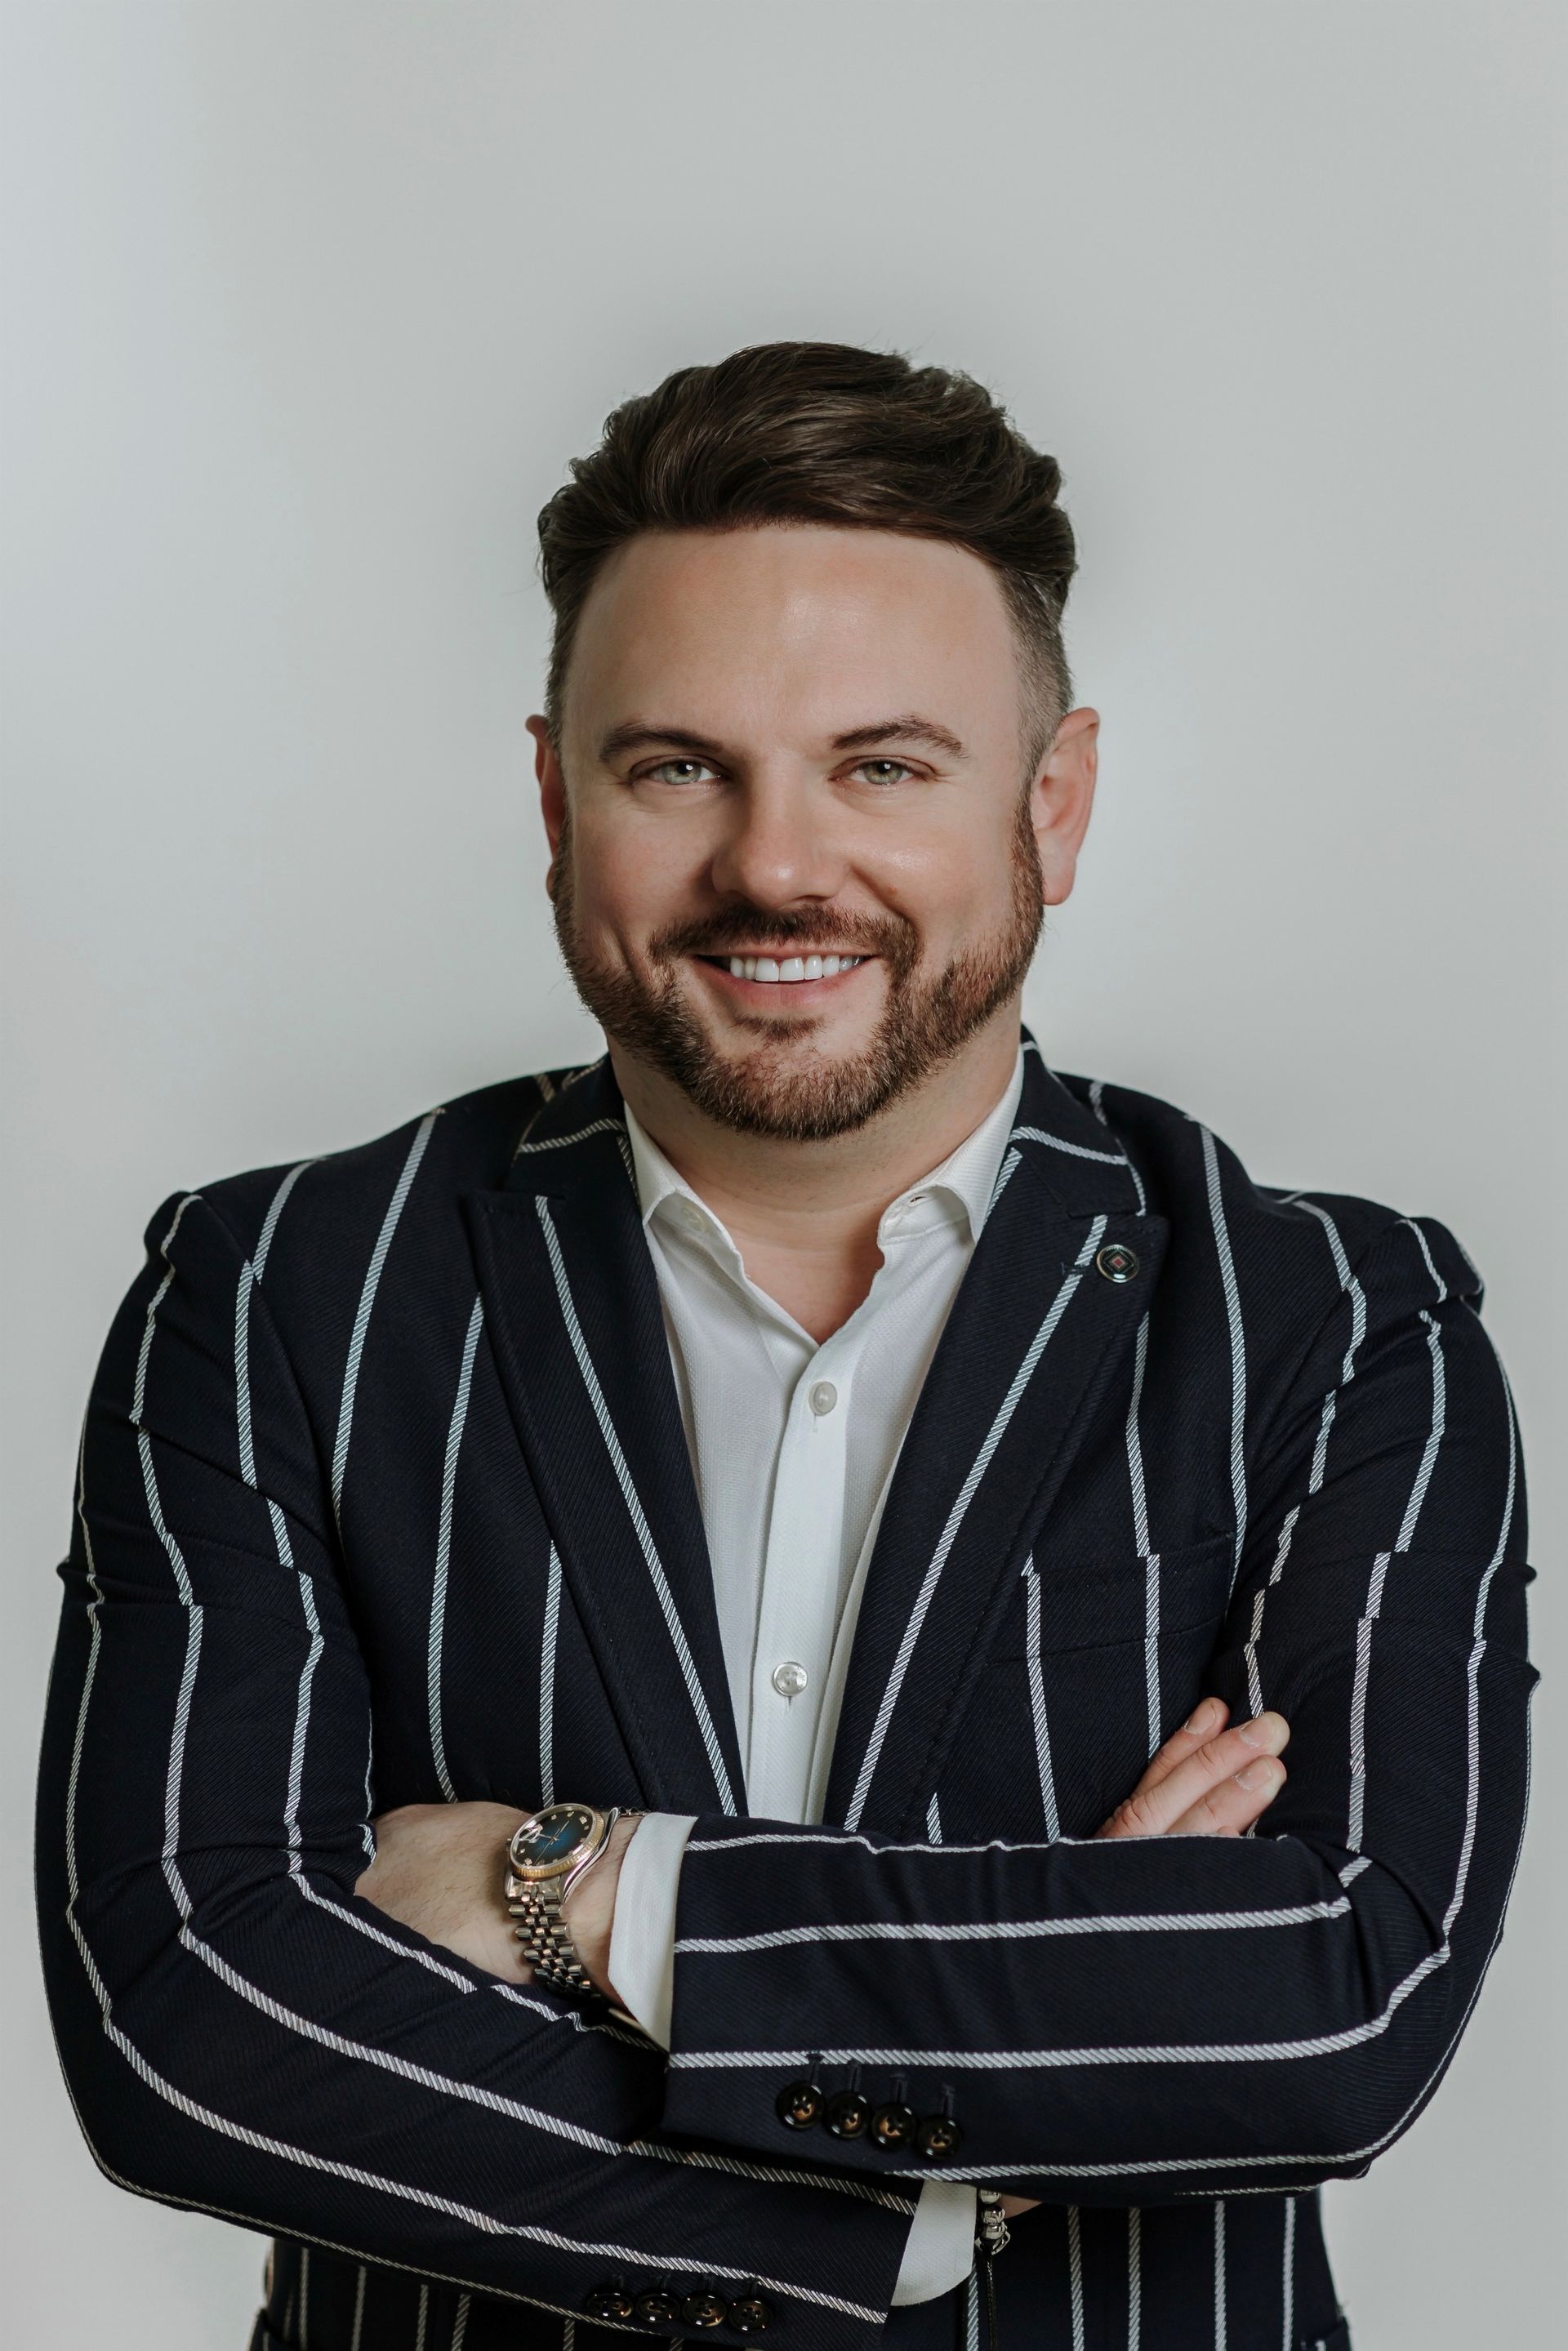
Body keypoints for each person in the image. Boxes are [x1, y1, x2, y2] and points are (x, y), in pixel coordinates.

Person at [35, 341, 1534, 2351]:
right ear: (554, 800)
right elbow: (186, 2001)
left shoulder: (1339, 1327)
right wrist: (922, 2170)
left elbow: (1344, 1997)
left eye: (884, 765)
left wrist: (579, 1888)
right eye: (678, 766)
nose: (776, 866)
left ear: (1055, 802)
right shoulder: (281, 1289)